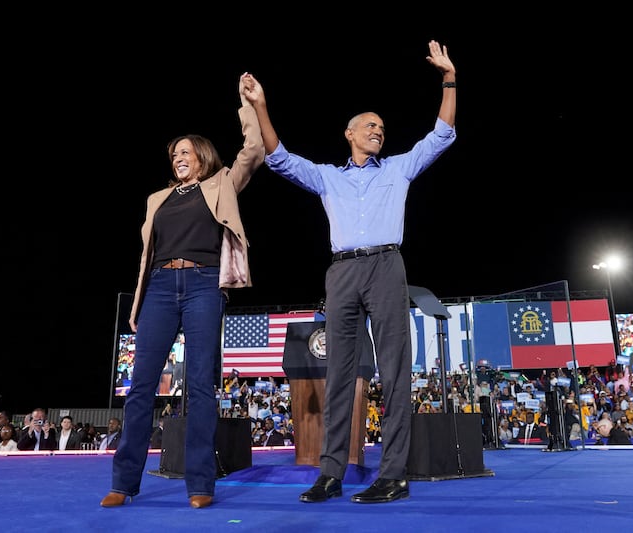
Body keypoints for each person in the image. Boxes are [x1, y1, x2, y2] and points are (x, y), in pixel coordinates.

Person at [243, 40, 456, 505]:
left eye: (382, 126)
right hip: (341, 273)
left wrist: (448, 79)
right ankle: (330, 474)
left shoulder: (398, 169)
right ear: (350, 133)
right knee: (338, 373)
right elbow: (279, 157)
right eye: (370, 125)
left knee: (395, 371)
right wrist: (261, 105)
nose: (378, 130)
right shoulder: (328, 177)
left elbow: (440, 134)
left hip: (386, 265)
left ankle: (394, 475)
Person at [100, 73, 264, 510]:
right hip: (158, 289)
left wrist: (248, 103)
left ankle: (200, 485)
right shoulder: (158, 199)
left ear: (203, 157)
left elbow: (255, 150)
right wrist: (138, 304)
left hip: (204, 285)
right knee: (140, 388)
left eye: (185, 152)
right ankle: (123, 482)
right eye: (174, 155)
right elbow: (145, 258)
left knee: (201, 386)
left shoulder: (222, 184)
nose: (178, 158)